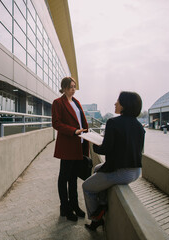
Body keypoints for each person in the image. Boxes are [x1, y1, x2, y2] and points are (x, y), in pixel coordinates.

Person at [82, 91, 145, 231]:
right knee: (98, 169)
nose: (115, 103)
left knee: (87, 187)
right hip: (135, 172)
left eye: (118, 101)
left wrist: (95, 144)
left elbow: (105, 149)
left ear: (125, 105)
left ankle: (95, 218)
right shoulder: (140, 127)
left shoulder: (113, 122)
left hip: (121, 172)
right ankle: (103, 203)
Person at [52, 77, 89, 222]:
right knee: (64, 178)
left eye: (74, 86)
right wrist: (73, 131)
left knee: (73, 178)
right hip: (68, 144)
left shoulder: (76, 102)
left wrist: (85, 133)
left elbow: (81, 121)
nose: (74, 89)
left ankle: (75, 205)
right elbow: (56, 123)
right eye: (71, 87)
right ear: (64, 88)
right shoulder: (58, 102)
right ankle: (65, 208)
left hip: (78, 144)